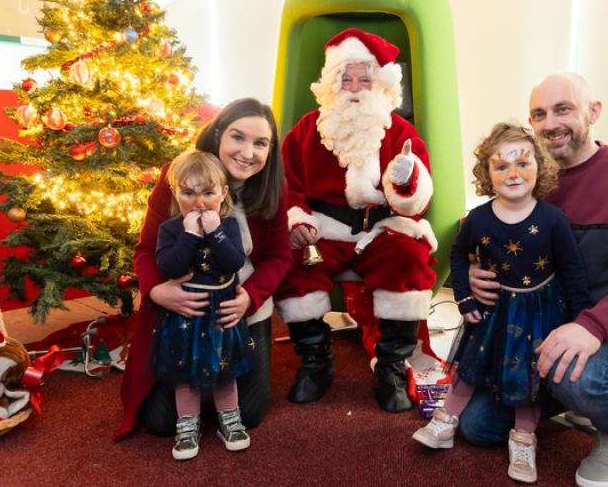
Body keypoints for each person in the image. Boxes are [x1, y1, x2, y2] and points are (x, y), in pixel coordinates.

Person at [463, 73, 608, 487]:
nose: (550, 123)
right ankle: (568, 397)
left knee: (580, 375)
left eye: (563, 109)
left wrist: (590, 327)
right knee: (478, 428)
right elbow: (496, 250)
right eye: (539, 114)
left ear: (593, 112)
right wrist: (477, 274)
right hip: (539, 336)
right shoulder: (529, 183)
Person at [412, 122, 591, 484]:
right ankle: (446, 419)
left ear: (540, 167)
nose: (513, 174)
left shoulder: (554, 220)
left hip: (539, 314)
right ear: (486, 173)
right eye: (501, 165)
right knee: (470, 366)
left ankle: (524, 439)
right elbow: (459, 256)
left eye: (522, 163)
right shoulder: (478, 218)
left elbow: (572, 270)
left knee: (527, 376)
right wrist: (463, 297)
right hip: (492, 310)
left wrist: (581, 319)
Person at [275, 28, 437, 413]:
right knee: (293, 262)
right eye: (345, 78)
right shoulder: (306, 129)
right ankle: (316, 363)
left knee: (409, 259)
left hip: (381, 228)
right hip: (323, 228)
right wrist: (296, 218)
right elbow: (285, 184)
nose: (354, 87)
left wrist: (405, 181)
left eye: (364, 78)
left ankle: (392, 368)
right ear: (332, 83)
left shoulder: (400, 131)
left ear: (379, 84)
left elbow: (418, 201)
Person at [116, 98, 291, 441]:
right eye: (237, 137)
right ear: (218, 134)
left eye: (260, 143)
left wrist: (249, 300)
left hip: (237, 311)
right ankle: (192, 395)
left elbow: (280, 257)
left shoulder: (272, 189)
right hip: (184, 311)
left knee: (251, 413)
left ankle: (218, 389)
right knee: (160, 422)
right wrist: (156, 291)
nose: (247, 152)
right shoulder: (179, 175)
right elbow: (147, 249)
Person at [154, 150, 250, 459]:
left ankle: (230, 420)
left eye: (208, 193)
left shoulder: (229, 226)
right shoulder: (170, 229)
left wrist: (215, 232)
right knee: (186, 374)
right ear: (175, 193)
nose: (199, 202)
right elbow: (169, 268)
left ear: (223, 194)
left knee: (226, 371)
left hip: (222, 311)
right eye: (189, 193)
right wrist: (191, 235)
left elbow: (234, 262)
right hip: (187, 315)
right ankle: (188, 424)